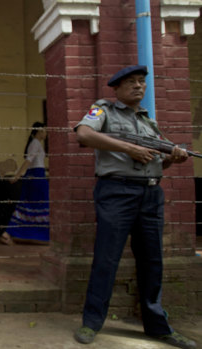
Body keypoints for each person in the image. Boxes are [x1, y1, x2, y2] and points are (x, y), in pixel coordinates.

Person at [73, 65, 196, 349]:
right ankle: (91, 323)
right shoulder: (103, 110)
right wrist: (129, 149)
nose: (139, 86)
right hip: (117, 191)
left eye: (142, 82)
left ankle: (157, 326)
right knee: (107, 258)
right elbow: (83, 134)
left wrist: (173, 157)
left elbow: (158, 159)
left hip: (151, 193)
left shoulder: (148, 122)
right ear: (116, 88)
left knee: (153, 261)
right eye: (131, 82)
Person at [0, 121, 49, 245]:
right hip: (36, 178)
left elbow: (35, 163)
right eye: (44, 130)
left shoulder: (36, 144)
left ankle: (9, 233)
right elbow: (28, 161)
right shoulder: (35, 144)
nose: (46, 133)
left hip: (38, 175)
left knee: (29, 205)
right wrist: (17, 176)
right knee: (39, 204)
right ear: (39, 131)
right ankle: (9, 233)